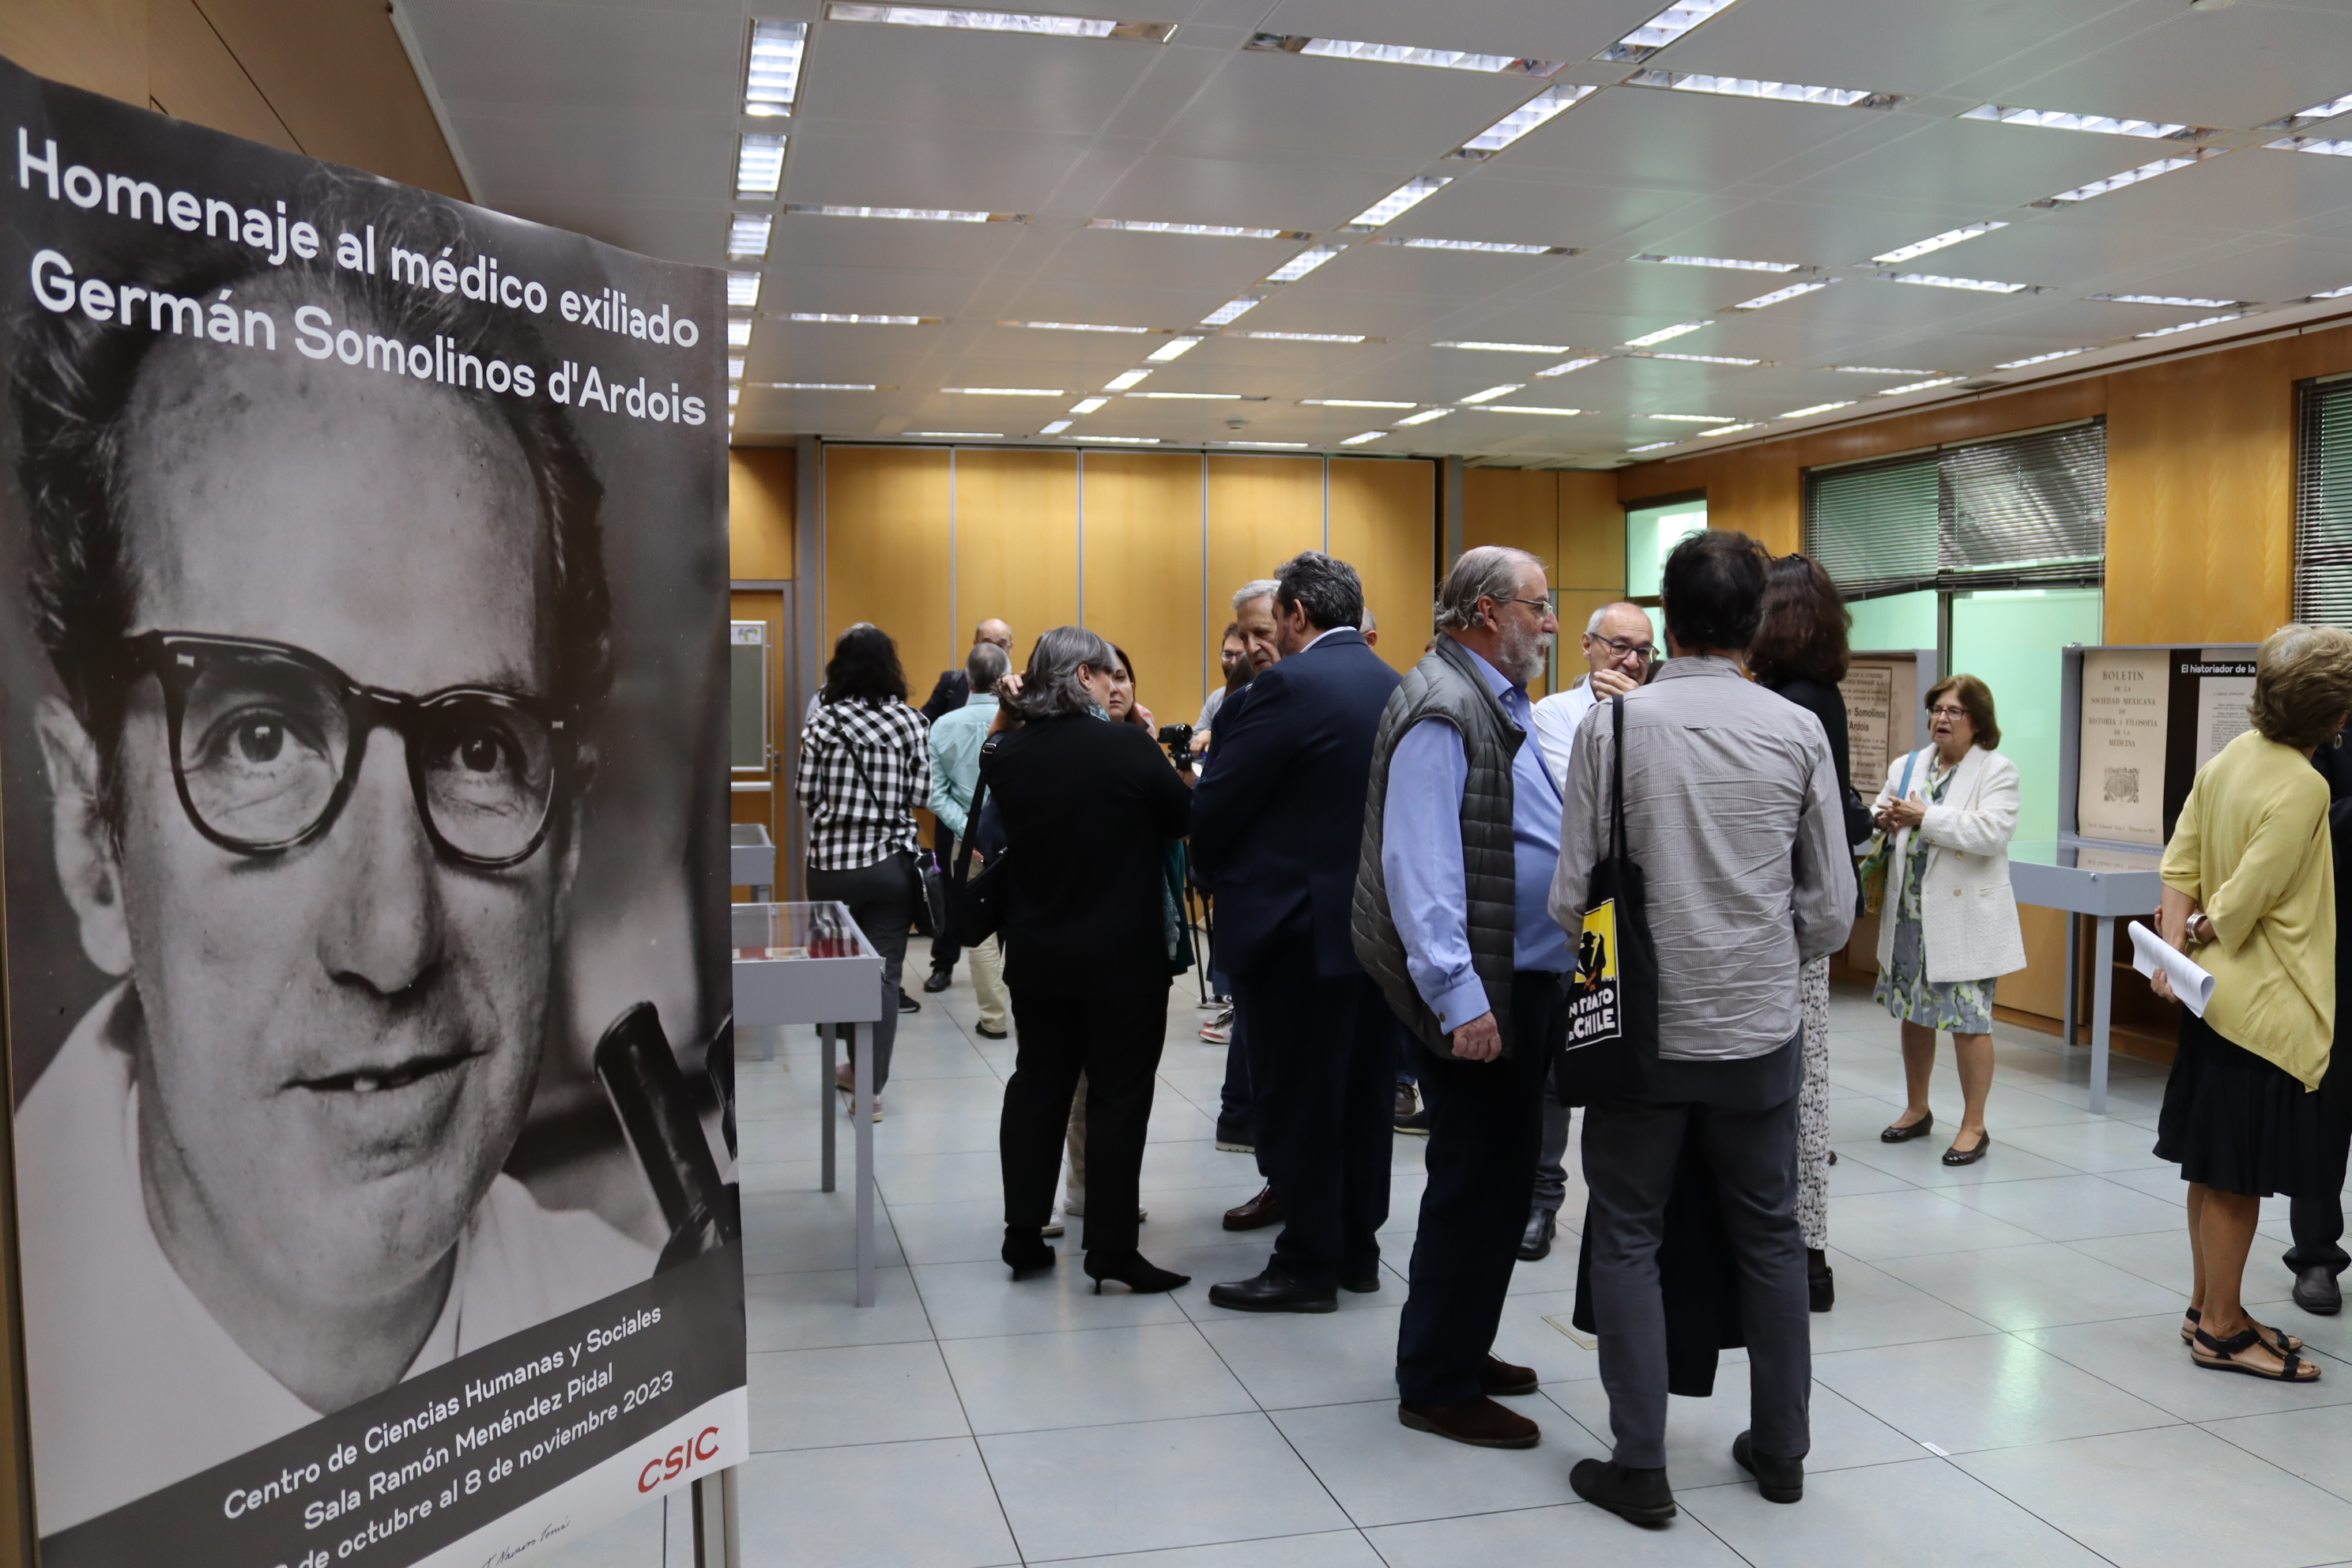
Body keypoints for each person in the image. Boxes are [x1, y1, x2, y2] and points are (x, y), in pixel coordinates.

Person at [10, 252, 656, 1530]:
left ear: (566, 838)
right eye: (258, 734)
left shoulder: (634, 1327)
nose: (392, 935)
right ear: (95, 834)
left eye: (477, 747)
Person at [1548, 530, 1854, 1524]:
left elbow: (1571, 898)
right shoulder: (1796, 731)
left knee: (1626, 1232)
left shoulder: (1616, 729)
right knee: (1771, 1234)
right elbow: (1830, 912)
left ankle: (1640, 1463)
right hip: (1758, 1031)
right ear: (1755, 621)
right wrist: (1756, 949)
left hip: (1638, 1029)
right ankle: (1782, 1449)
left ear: (1666, 622)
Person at [1354, 545, 1567, 1450]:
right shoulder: (1445, 707)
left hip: (1519, 973)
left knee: (1498, 1175)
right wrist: (1460, 997)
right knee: (1476, 1180)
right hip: (1486, 988)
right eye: (1539, 606)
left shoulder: (1485, 693)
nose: (1551, 622)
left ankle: (1460, 1343)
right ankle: (1437, 1381)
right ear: (1487, 613)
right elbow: (1422, 868)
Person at [1192, 553, 1400, 1312]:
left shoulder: (1286, 685)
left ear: (1299, 615)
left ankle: (1305, 1264)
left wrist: (1211, 872)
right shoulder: (1392, 681)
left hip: (1294, 930)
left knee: (1301, 1100)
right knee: (1362, 1094)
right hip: (1375, 929)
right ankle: (1356, 1249)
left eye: (1276, 619)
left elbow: (1217, 809)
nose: (1267, 636)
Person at [2154, 624, 2352, 1381]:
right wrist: (2203, 927)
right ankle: (2224, 1331)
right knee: (2239, 1179)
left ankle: (2207, 1306)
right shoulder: (2306, 785)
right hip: (2265, 1011)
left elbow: (2183, 854)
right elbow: (2245, 900)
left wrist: (2173, 949)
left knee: (2210, 1167)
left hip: (2211, 1002)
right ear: (2334, 716)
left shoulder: (2234, 755)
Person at [989, 627, 1194, 1294]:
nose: (1116, 685)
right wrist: (1142, 738)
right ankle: (1110, 1248)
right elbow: (1183, 816)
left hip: (1039, 955)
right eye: (1107, 674)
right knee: (1117, 1098)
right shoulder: (1127, 749)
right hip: (1123, 962)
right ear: (1082, 678)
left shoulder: (1009, 753)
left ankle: (1023, 1235)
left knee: (1037, 1086)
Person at [1514, 601, 1658, 1261]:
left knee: (1622, 1066)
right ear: (1587, 647)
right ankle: (1542, 1199)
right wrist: (1612, 720)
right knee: (1551, 1072)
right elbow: (1585, 803)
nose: (1632, 661)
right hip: (1570, 923)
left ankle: (1625, 1211)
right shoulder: (1550, 717)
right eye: (1619, 647)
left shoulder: (1661, 719)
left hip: (1641, 918)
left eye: (1644, 651)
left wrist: (1633, 718)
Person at [1749, 556, 1866, 1310]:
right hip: (1797, 922)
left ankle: (1806, 1255)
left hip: (1785, 925)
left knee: (1797, 1094)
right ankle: (1802, 1249)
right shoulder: (1816, 695)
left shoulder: (1797, 705)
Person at [1870, 675, 2026, 1166]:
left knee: (1968, 1020)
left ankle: (1974, 1125)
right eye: (1936, 709)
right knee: (1913, 1012)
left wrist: (1925, 818)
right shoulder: (1909, 764)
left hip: (1963, 917)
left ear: (1977, 720)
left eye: (1953, 711)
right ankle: (1918, 1109)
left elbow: (1992, 832)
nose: (1941, 718)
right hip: (1910, 913)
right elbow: (1883, 806)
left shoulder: (1997, 771)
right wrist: (1883, 817)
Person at [799, 624, 933, 1121]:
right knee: (883, 975)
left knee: (835, 969)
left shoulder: (823, 722)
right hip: (889, 867)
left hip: (831, 867)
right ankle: (868, 1090)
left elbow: (806, 794)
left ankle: (849, 1059)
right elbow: (921, 796)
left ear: (841, 666)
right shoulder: (911, 722)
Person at [1058, 644, 1162, 1228]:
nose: (1118, 688)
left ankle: (1113, 1188)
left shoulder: (1140, 749)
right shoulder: (1071, 750)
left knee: (1124, 1083)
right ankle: (1082, 1187)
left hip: (1139, 937)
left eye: (1126, 678)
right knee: (1078, 1082)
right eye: (1109, 678)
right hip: (1081, 941)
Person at [922, 618, 1016, 993]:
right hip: (991, 826)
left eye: (1002, 641)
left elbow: (934, 791)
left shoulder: (1023, 704)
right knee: (954, 893)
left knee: (972, 901)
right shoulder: (950, 689)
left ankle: (993, 1009)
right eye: (990, 641)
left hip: (965, 822)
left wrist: (968, 826)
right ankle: (944, 965)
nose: (996, 646)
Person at [2293, 725, 2352, 1315]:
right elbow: (2311, 821)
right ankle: (2315, 1254)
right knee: (2326, 1108)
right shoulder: (2331, 720)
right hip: (2337, 947)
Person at [1197, 621, 1247, 739]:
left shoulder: (1263, 694)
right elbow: (1195, 739)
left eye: (1240, 655)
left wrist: (1213, 736)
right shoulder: (1217, 698)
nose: (1233, 662)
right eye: (1228, 654)